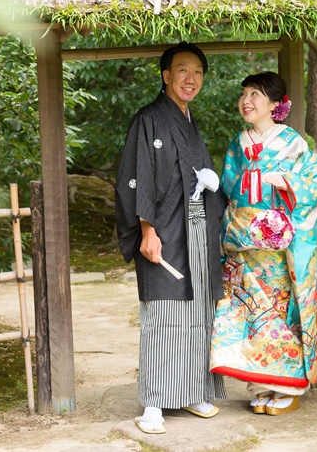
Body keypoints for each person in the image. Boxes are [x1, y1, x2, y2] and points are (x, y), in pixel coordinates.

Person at [115, 42, 227, 435]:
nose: (190, 79)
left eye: (197, 71)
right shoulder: (149, 119)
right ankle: (154, 404)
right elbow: (137, 176)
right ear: (166, 76)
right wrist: (146, 230)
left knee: (198, 312)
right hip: (163, 230)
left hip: (196, 228)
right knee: (164, 315)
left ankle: (193, 391)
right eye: (182, 70)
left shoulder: (190, 122)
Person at [209, 72, 317, 416]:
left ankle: (288, 386)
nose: (246, 101)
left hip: (279, 248)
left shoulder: (293, 143)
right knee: (254, 317)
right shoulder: (237, 144)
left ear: (276, 104)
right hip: (243, 243)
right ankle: (263, 384)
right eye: (244, 94)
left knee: (280, 314)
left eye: (256, 94)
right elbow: (229, 193)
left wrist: (289, 182)